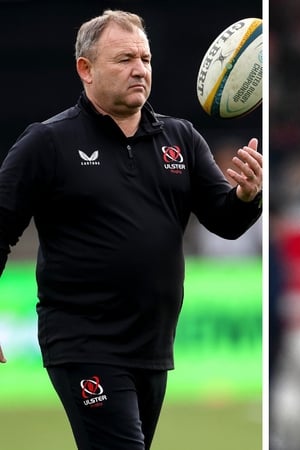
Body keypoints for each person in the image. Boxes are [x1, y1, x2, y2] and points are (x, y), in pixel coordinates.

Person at [0, 10, 262, 450]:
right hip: (83, 342)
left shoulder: (181, 138)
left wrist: (246, 195)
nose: (139, 69)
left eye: (145, 58)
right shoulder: (48, 142)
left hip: (152, 347)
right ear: (86, 69)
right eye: (124, 59)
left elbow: (226, 221)